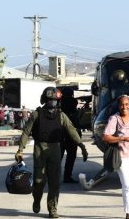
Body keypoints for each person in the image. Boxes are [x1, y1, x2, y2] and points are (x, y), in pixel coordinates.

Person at [15, 87, 88, 218]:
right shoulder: (36, 114)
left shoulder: (61, 115)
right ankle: (37, 199)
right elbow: (26, 131)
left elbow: (71, 130)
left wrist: (81, 146)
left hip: (55, 148)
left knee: (55, 182)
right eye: (50, 99)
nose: (52, 102)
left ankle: (52, 209)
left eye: (54, 100)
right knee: (39, 181)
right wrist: (20, 149)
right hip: (40, 148)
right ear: (45, 100)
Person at [60, 87, 84, 183]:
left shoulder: (60, 106)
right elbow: (77, 123)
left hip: (61, 136)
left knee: (58, 158)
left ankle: (54, 176)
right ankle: (67, 176)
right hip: (71, 136)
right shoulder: (73, 104)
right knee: (71, 157)